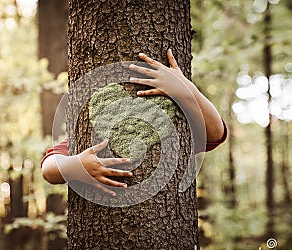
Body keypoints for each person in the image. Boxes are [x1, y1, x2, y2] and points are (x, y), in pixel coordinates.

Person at [41, 49, 227, 196]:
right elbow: (49, 168)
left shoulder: (175, 131)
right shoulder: (89, 139)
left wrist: (185, 89)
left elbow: (215, 133)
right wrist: (76, 166)